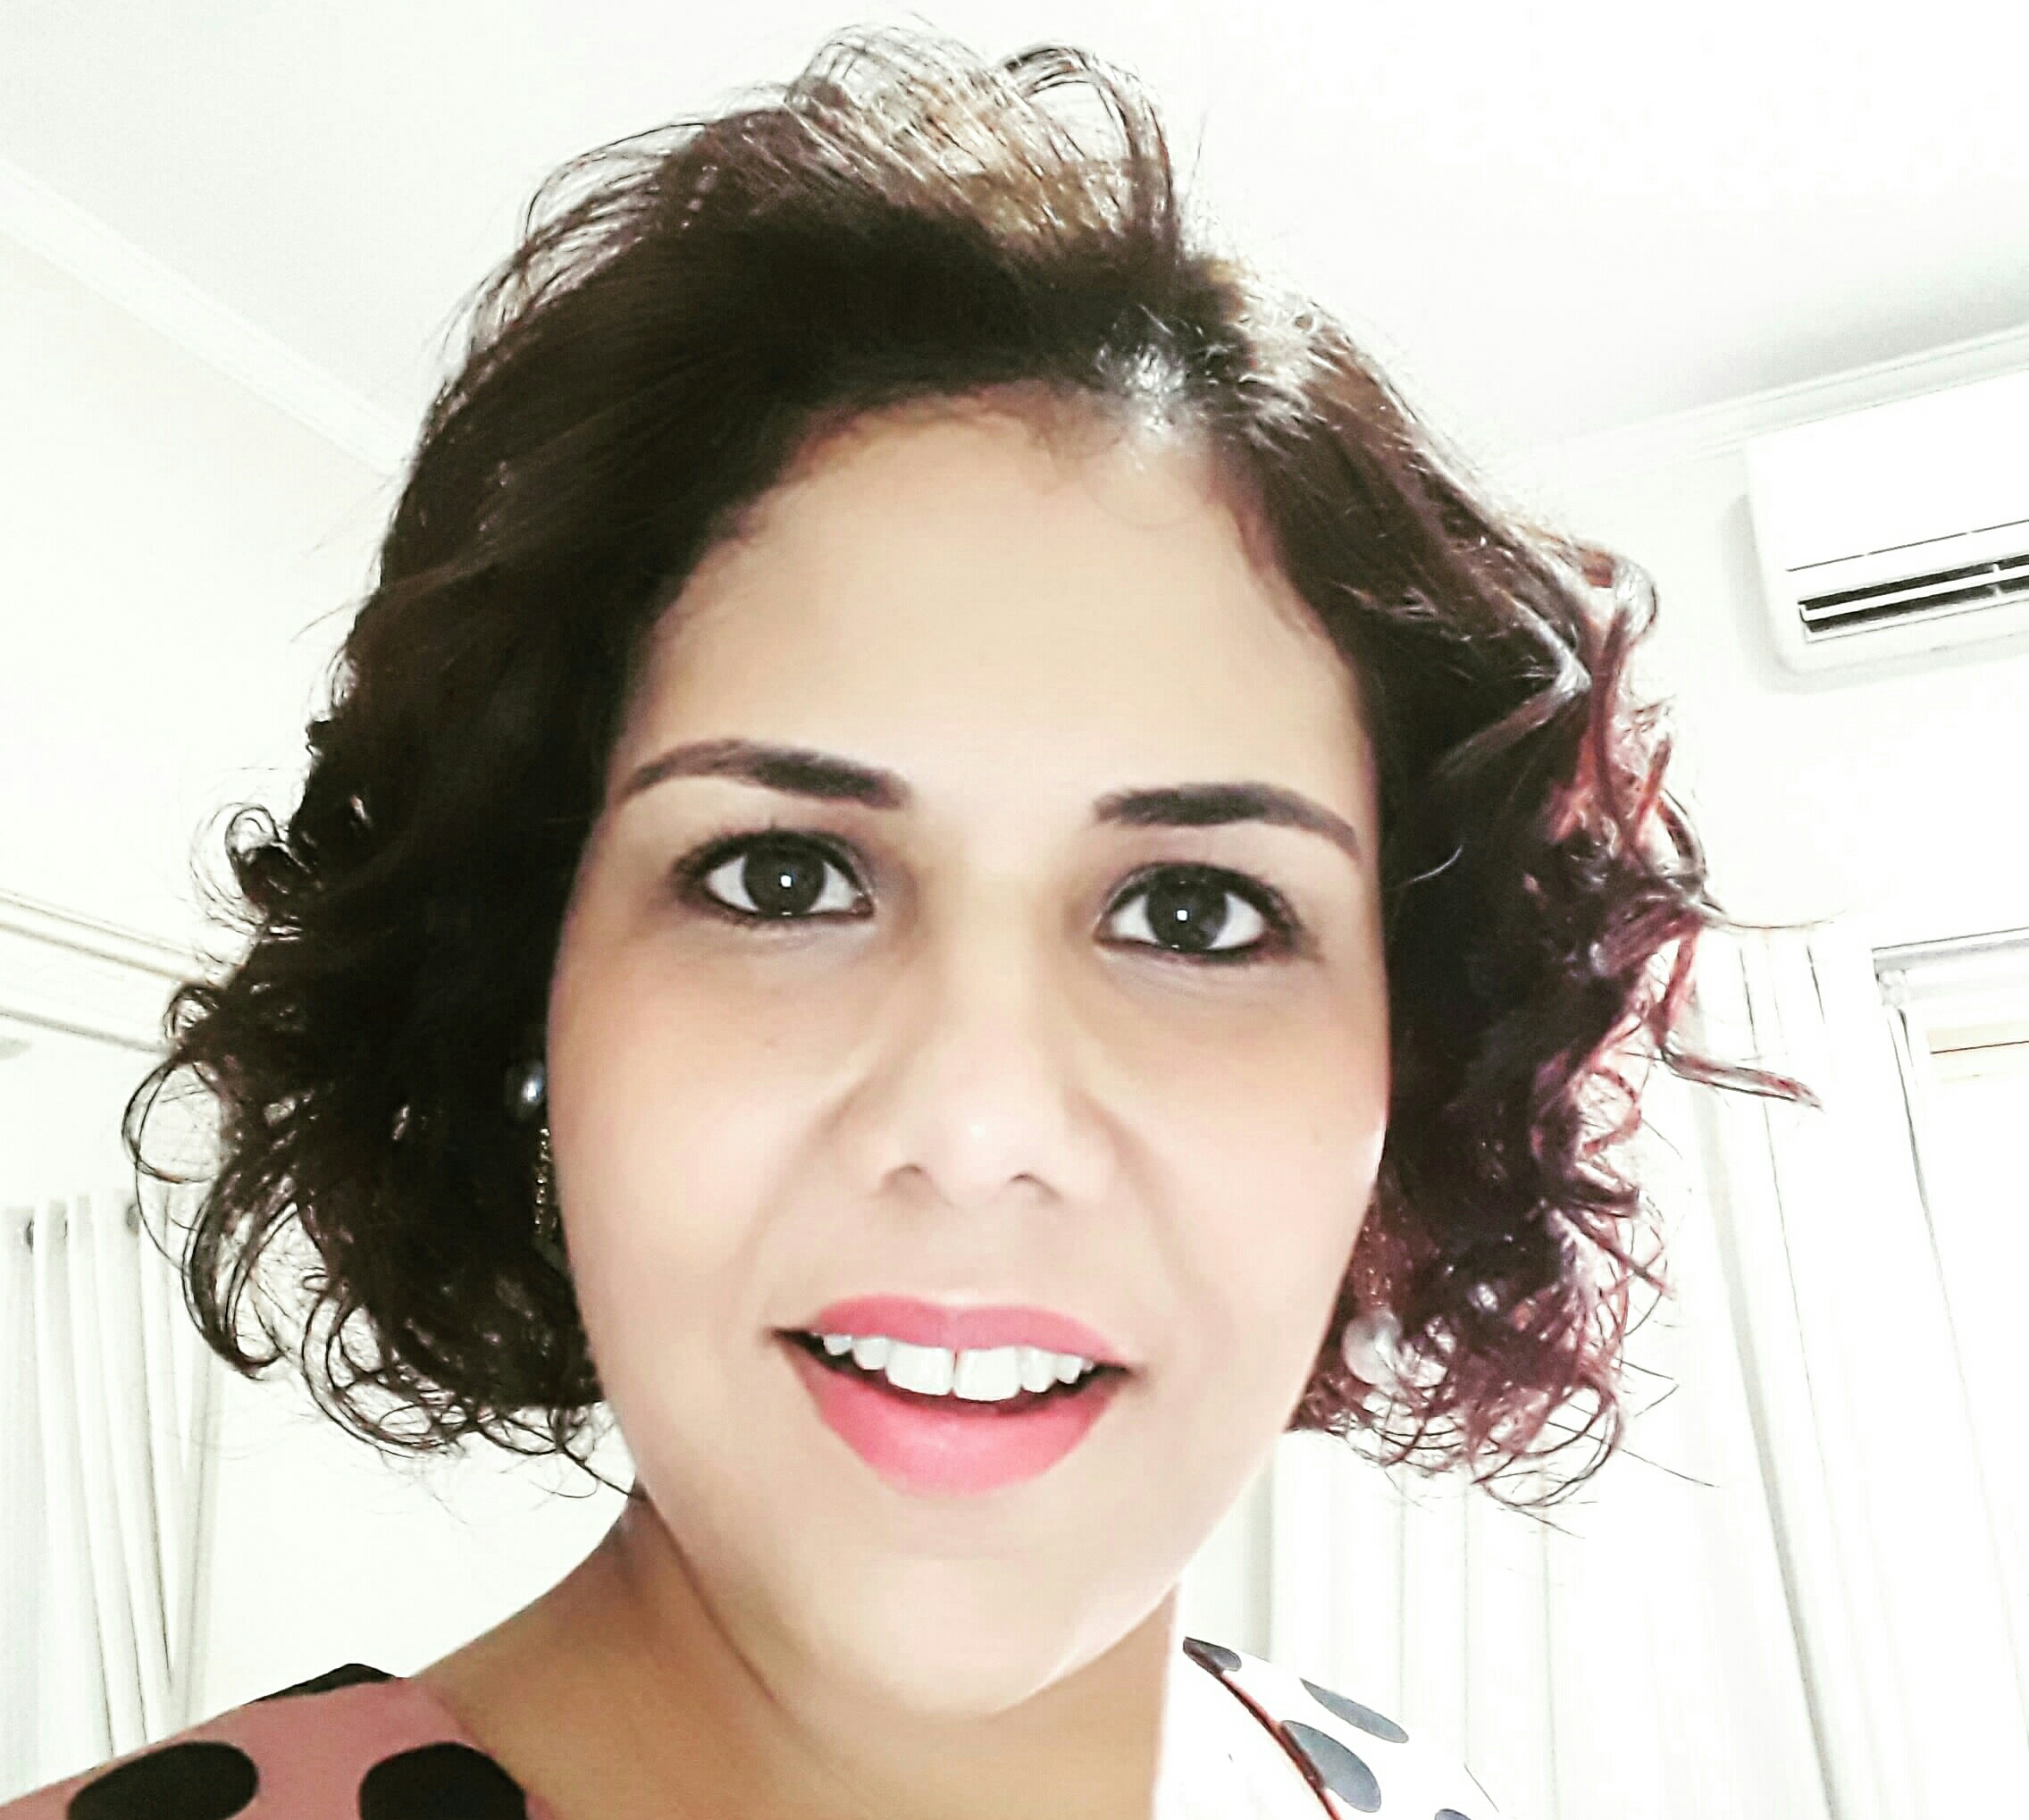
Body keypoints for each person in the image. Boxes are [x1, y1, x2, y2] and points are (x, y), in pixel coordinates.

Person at [4, 25, 1797, 1820]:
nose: (978, 1117)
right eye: (781, 875)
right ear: (524, 998)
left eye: (1193, 909)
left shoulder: (1416, 1788)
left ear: (1410, 1074)